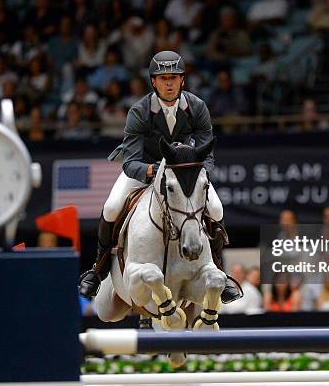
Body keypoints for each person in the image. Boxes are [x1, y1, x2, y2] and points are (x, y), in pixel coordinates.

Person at [78, 50, 241, 303]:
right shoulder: (139, 111)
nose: (168, 83)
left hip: (183, 173)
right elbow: (130, 162)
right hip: (145, 170)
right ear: (153, 81)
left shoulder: (197, 107)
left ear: (182, 81)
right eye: (163, 78)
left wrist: (195, 174)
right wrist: (153, 171)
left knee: (217, 210)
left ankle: (220, 269)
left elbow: (207, 152)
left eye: (173, 78)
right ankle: (97, 270)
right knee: (111, 207)